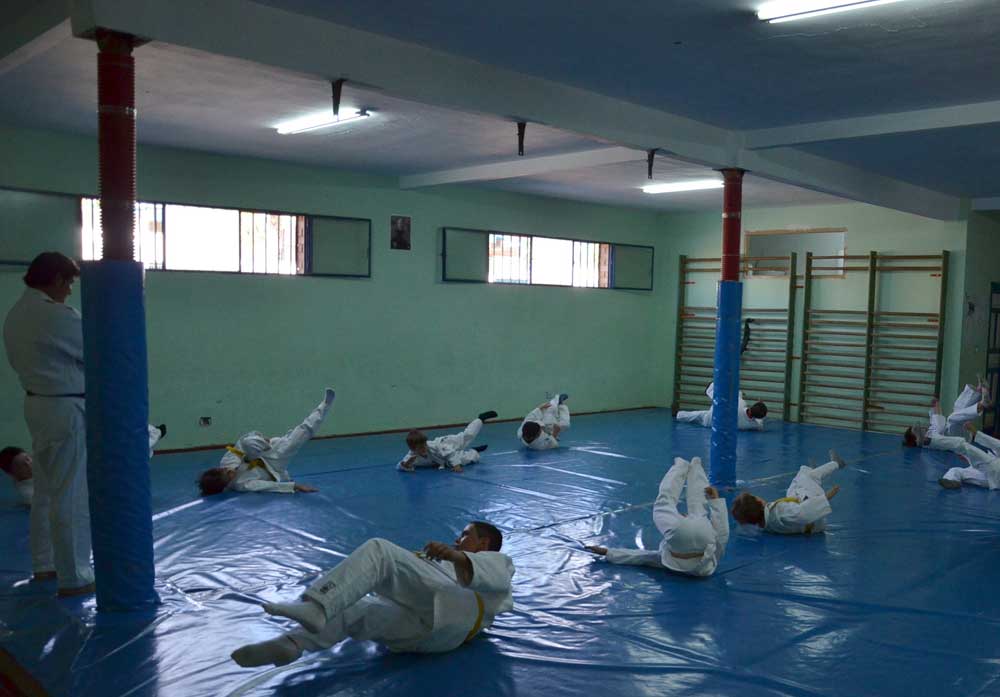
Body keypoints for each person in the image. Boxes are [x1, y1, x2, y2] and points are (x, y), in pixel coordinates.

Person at [230, 521, 514, 668]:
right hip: (430, 639)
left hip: (456, 607)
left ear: (484, 542)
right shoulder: (446, 563)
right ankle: (292, 644)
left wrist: (455, 556)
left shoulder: (499, 561)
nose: (457, 539)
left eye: (465, 535)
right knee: (357, 609)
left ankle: (316, 605)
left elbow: (496, 575)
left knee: (380, 550)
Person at [3, 252, 94, 595]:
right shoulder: (54, 315)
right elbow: (96, 349)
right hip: (64, 408)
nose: (69, 290)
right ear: (56, 279)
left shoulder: (16, 314)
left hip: (38, 403)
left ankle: (45, 565)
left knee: (44, 490)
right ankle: (75, 576)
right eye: (68, 282)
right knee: (70, 493)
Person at [585, 456, 729, 577]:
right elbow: (641, 557)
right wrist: (608, 552)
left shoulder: (708, 564)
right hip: (678, 536)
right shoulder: (666, 562)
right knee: (664, 503)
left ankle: (697, 466)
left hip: (704, 537)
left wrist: (715, 502)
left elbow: (722, 535)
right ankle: (681, 466)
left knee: (699, 506)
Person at [197, 389, 335, 495]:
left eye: (225, 471)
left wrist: (262, 441)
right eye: (228, 476)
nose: (229, 472)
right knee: (301, 434)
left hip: (265, 451)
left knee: (246, 442)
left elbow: (241, 444)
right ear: (225, 485)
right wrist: (295, 486)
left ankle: (268, 442)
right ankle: (325, 406)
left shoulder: (226, 462)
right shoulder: (241, 485)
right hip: (274, 465)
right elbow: (269, 486)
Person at [3, 425, 165, 508]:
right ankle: (152, 435)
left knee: (122, 451)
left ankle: (152, 434)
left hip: (86, 473)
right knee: (125, 458)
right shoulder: (27, 492)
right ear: (13, 473)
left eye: (27, 459)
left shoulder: (41, 463)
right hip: (89, 486)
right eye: (22, 464)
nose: (29, 463)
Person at [731, 450, 846, 534]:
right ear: (759, 502)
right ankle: (836, 463)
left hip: (802, 514)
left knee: (795, 485)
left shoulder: (764, 522)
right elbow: (803, 514)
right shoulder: (779, 512)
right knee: (807, 477)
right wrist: (827, 497)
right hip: (813, 518)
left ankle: (812, 471)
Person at [398, 410, 496, 472]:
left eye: (424, 445)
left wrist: (456, 465)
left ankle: (480, 419)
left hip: (447, 443)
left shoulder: (433, 446)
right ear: (413, 448)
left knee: (467, 436)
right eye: (420, 448)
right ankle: (475, 451)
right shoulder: (412, 456)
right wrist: (406, 464)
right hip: (444, 460)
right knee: (464, 459)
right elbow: (400, 466)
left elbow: (449, 453)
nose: (423, 448)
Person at [903, 380, 992, 447]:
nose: (921, 428)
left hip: (958, 433)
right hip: (959, 441)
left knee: (957, 408)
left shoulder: (930, 429)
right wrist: (920, 441)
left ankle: (978, 391)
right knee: (952, 418)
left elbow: (938, 416)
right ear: (917, 438)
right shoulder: (928, 440)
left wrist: (936, 403)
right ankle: (983, 403)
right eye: (918, 431)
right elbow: (940, 426)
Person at [932, 423, 1000, 490]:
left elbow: (995, 444)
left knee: (964, 446)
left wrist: (975, 432)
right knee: (955, 470)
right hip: (992, 480)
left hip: (995, 469)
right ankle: (952, 481)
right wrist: (968, 458)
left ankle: (931, 440)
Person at [675, 382, 766, 431]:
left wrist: (758, 404)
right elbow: (759, 423)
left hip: (712, 415)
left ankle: (678, 414)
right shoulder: (750, 425)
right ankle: (679, 415)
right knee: (697, 415)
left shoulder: (740, 403)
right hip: (713, 424)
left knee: (722, 396)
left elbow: (737, 394)